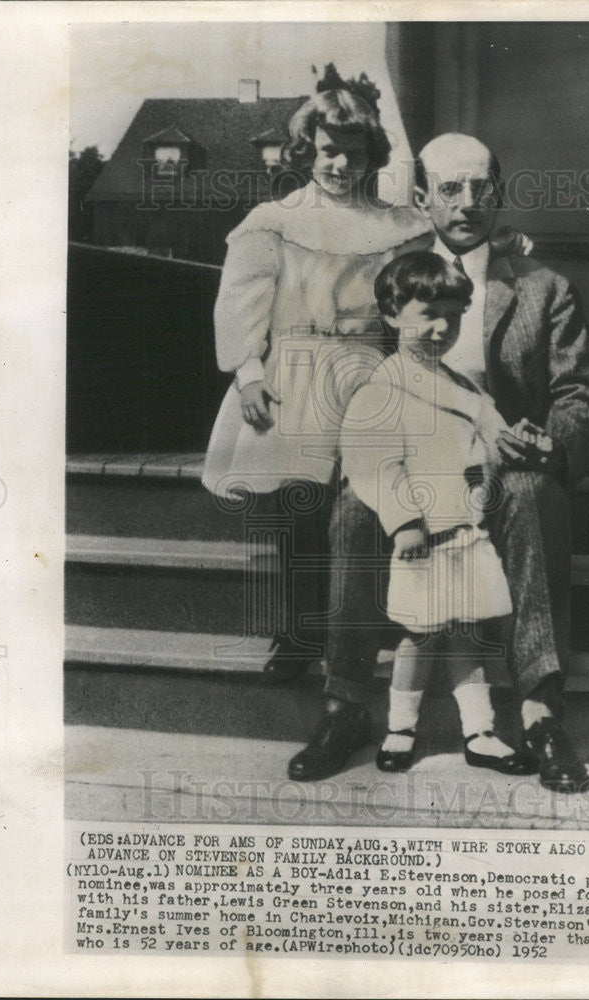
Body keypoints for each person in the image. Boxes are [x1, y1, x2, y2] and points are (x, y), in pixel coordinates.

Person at [288, 134, 589, 793]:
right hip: (408, 460)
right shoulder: (387, 282)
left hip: (499, 470)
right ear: (420, 198)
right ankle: (345, 706)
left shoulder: (542, 288)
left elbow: (582, 394)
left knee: (531, 492)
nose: (467, 203)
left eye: (481, 189)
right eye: (449, 189)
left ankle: (541, 711)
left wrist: (552, 442)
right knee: (356, 504)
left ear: (498, 195)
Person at [201, 82, 431, 683]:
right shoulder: (274, 221)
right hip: (293, 372)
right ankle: (300, 632)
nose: (340, 164)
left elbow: (420, 294)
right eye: (328, 150)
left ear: (372, 154)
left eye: (353, 153)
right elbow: (241, 300)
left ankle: (359, 626)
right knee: (301, 507)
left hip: (367, 370)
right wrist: (249, 373)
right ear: (306, 149)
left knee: (361, 504)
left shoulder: (397, 225)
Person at [341, 251, 538, 775]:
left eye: (452, 316)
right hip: (423, 536)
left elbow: (492, 430)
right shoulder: (382, 387)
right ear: (391, 313)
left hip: (467, 532)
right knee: (419, 635)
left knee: (469, 633)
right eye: (427, 314)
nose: (440, 328)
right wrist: (403, 521)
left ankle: (480, 731)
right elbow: (374, 462)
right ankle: (400, 728)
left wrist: (516, 441)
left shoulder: (464, 387)